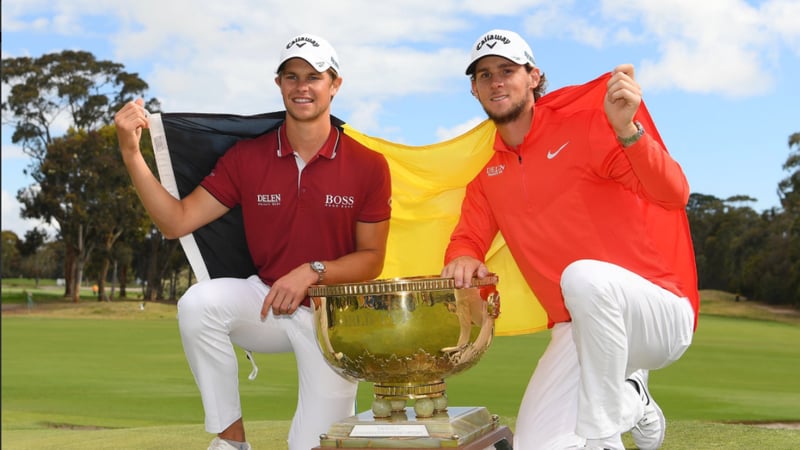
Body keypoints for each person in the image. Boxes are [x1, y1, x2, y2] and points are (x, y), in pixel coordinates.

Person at [114, 33, 392, 450]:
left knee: (312, 445)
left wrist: (313, 271)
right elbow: (177, 221)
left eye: (314, 77)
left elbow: (372, 259)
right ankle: (232, 440)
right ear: (278, 84)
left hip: (333, 320)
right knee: (198, 304)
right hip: (266, 302)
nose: (302, 87)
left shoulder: (368, 165)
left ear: (335, 84)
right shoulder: (249, 157)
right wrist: (132, 154)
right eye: (291, 76)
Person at [441, 29, 699, 450]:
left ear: (534, 77)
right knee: (534, 445)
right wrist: (464, 257)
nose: (496, 82)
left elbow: (673, 194)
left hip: (657, 314)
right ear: (474, 89)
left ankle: (614, 419)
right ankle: (632, 398)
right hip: (580, 329)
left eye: (507, 70)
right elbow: (466, 238)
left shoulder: (587, 128)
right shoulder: (488, 178)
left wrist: (629, 131)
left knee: (581, 277)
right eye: (484, 75)